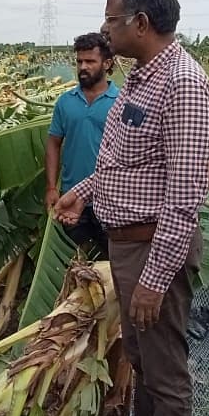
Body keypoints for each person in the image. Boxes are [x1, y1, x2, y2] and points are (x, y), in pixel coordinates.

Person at [55, 0, 209, 416]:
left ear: (140, 23)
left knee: (166, 371)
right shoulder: (143, 77)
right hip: (127, 245)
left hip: (153, 250)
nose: (104, 27)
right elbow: (124, 165)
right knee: (143, 361)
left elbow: (183, 195)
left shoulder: (184, 86)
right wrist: (82, 190)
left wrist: (154, 277)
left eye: (109, 17)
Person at [45, 32, 118, 254]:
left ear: (106, 63)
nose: (83, 67)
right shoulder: (65, 102)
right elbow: (53, 143)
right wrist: (50, 187)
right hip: (71, 197)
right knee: (76, 265)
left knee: (110, 266)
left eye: (90, 61)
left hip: (109, 200)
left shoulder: (121, 102)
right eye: (79, 62)